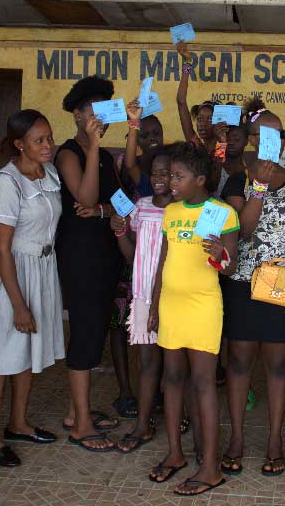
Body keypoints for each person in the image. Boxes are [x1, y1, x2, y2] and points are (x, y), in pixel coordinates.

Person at [0, 110, 65, 467]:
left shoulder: (49, 173)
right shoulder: (7, 182)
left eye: (50, 138)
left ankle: (18, 423)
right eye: (39, 140)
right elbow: (3, 247)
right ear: (19, 144)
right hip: (12, 272)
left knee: (25, 350)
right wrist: (19, 304)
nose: (48, 145)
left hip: (40, 268)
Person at [219, 98, 285, 478]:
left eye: (278, 135)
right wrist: (257, 187)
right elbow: (245, 230)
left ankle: (274, 439)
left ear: (284, 140)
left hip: (284, 285)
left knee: (278, 365)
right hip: (243, 283)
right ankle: (237, 438)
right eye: (263, 135)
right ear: (252, 139)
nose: (271, 142)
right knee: (239, 361)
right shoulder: (238, 181)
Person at [147, 142, 239, 496]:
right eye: (170, 175)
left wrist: (222, 253)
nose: (172, 181)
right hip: (171, 304)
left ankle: (211, 467)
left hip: (203, 306)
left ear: (200, 179)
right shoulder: (171, 212)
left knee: (202, 382)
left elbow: (228, 269)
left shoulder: (222, 212)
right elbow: (163, 261)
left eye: (179, 176)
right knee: (171, 378)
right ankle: (175, 454)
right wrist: (155, 306)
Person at [54, 75, 125, 450]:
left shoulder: (108, 158)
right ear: (79, 115)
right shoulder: (70, 153)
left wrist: (104, 211)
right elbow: (83, 195)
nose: (102, 118)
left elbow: (117, 202)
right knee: (84, 333)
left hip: (105, 252)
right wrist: (95, 147)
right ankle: (81, 425)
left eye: (107, 111)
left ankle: (74, 411)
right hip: (81, 255)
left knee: (95, 331)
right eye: (95, 112)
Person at [111, 137, 172, 454]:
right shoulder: (141, 208)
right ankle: (143, 423)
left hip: (175, 296)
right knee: (148, 362)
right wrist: (120, 230)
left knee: (176, 366)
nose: (162, 179)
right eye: (157, 173)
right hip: (144, 294)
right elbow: (131, 254)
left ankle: (180, 416)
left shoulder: (183, 210)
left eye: (168, 173)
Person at [175, 39, 217, 152]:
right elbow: (181, 101)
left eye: (210, 119)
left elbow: (218, 165)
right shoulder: (197, 147)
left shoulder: (225, 147)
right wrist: (187, 63)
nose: (203, 124)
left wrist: (222, 141)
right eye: (200, 119)